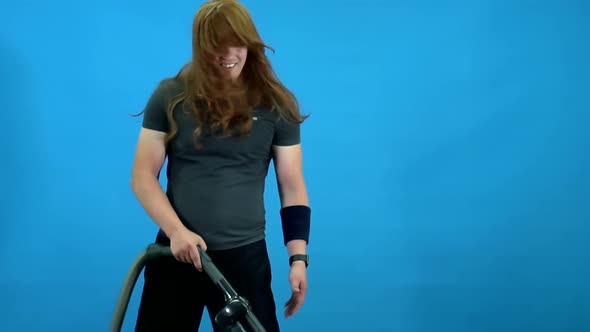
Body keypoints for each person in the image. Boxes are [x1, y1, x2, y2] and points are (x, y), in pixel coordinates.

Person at [129, 0, 312, 331]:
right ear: (201, 47)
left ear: (249, 44)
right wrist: (177, 232)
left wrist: (298, 258)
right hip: (176, 252)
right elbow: (142, 176)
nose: (229, 55)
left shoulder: (277, 104)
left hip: (244, 259)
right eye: (217, 46)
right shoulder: (170, 96)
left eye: (237, 44)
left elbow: (292, 186)